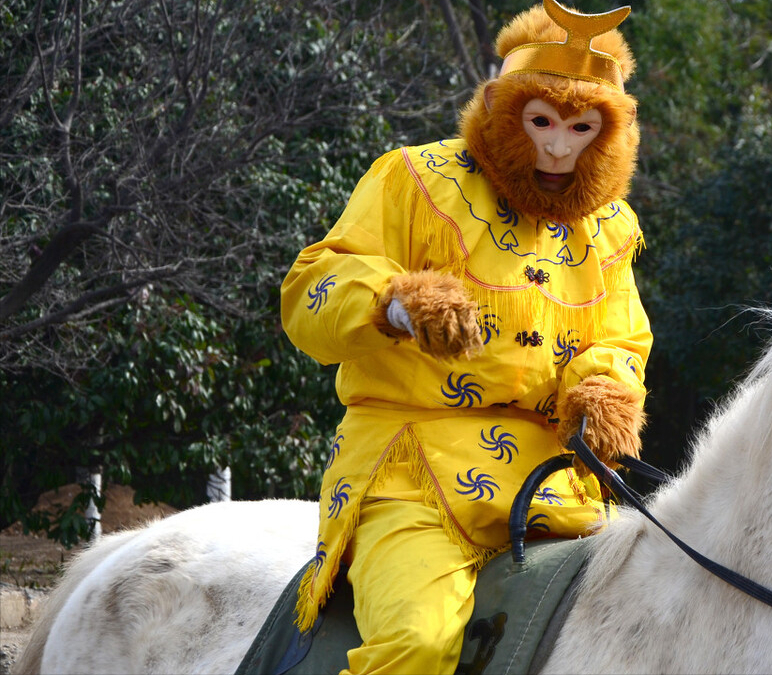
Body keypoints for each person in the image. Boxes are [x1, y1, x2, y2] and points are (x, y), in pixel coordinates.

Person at [279, 1, 651, 673]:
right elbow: (311, 290)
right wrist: (397, 305)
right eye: (541, 122)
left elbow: (620, 335)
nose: (560, 148)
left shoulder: (610, 226)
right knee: (415, 644)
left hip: (555, 487)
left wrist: (605, 389)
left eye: (581, 127)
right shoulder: (415, 180)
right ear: (502, 108)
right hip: (413, 477)